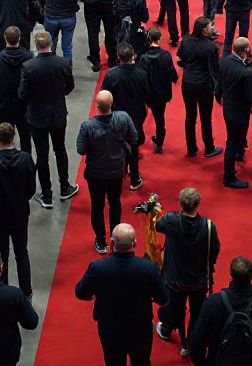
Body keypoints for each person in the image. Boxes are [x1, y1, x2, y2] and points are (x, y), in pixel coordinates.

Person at [74, 223, 170, 366]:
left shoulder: (98, 268)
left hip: (110, 331)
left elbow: (80, 292)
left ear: (111, 242)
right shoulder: (147, 268)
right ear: (134, 242)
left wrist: (93, 295)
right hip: (140, 330)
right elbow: (164, 299)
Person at [155, 187, 219, 357]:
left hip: (175, 280)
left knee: (174, 308)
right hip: (199, 280)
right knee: (197, 312)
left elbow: (158, 225)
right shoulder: (209, 226)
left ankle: (168, 330)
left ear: (180, 204)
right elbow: (214, 250)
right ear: (198, 204)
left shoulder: (171, 221)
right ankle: (191, 343)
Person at [20, 30, 80, 209]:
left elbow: (22, 94)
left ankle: (46, 194)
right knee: (60, 149)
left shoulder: (28, 67)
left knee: (42, 155)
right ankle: (64, 186)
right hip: (57, 113)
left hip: (37, 116)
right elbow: (70, 87)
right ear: (51, 44)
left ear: (37, 46)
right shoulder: (62, 63)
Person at [76, 90, 139, 254]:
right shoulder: (123, 118)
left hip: (95, 173)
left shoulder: (87, 126)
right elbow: (134, 138)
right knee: (115, 202)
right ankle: (116, 236)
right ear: (112, 104)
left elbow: (81, 150)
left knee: (97, 206)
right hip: (116, 171)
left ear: (97, 106)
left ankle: (100, 240)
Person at [0, 122, 36, 299]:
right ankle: (26, 291)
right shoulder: (26, 159)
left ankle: (2, 289)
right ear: (14, 137)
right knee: (22, 252)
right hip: (19, 213)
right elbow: (31, 189)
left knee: (0, 254)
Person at [103, 43, 149, 190]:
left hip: (116, 115)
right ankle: (134, 177)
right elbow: (147, 94)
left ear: (118, 57)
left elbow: (104, 96)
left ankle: (119, 172)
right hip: (136, 114)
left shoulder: (111, 75)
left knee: (117, 145)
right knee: (133, 146)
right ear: (133, 56)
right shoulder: (141, 74)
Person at [177, 17, 222, 159]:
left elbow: (181, 57)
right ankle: (209, 147)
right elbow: (215, 68)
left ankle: (191, 148)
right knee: (205, 118)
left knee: (190, 117)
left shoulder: (186, 40)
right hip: (204, 85)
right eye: (210, 26)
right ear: (203, 30)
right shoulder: (211, 47)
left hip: (188, 83)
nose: (213, 28)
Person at [216, 36, 252, 190]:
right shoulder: (245, 73)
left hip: (228, 107)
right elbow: (249, 97)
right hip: (239, 111)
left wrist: (218, 96)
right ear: (245, 50)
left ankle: (238, 153)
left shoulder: (224, 61)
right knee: (232, 141)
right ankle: (229, 176)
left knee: (234, 138)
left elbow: (219, 83)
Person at [0, 26, 32, 155]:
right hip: (23, 105)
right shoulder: (28, 57)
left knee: (4, 136)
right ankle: (26, 162)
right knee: (25, 137)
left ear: (5, 38)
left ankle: (3, 161)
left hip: (3, 105)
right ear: (20, 38)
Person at [138, 27, 178, 153]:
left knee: (139, 117)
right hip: (162, 94)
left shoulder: (144, 58)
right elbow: (173, 75)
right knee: (160, 120)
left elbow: (141, 78)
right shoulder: (166, 55)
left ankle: (138, 140)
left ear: (149, 39)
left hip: (148, 94)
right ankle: (159, 144)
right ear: (160, 39)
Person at [40, 0, 85, 66]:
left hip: (51, 16)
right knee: (67, 47)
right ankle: (67, 70)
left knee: (50, 44)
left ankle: (51, 66)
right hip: (68, 18)